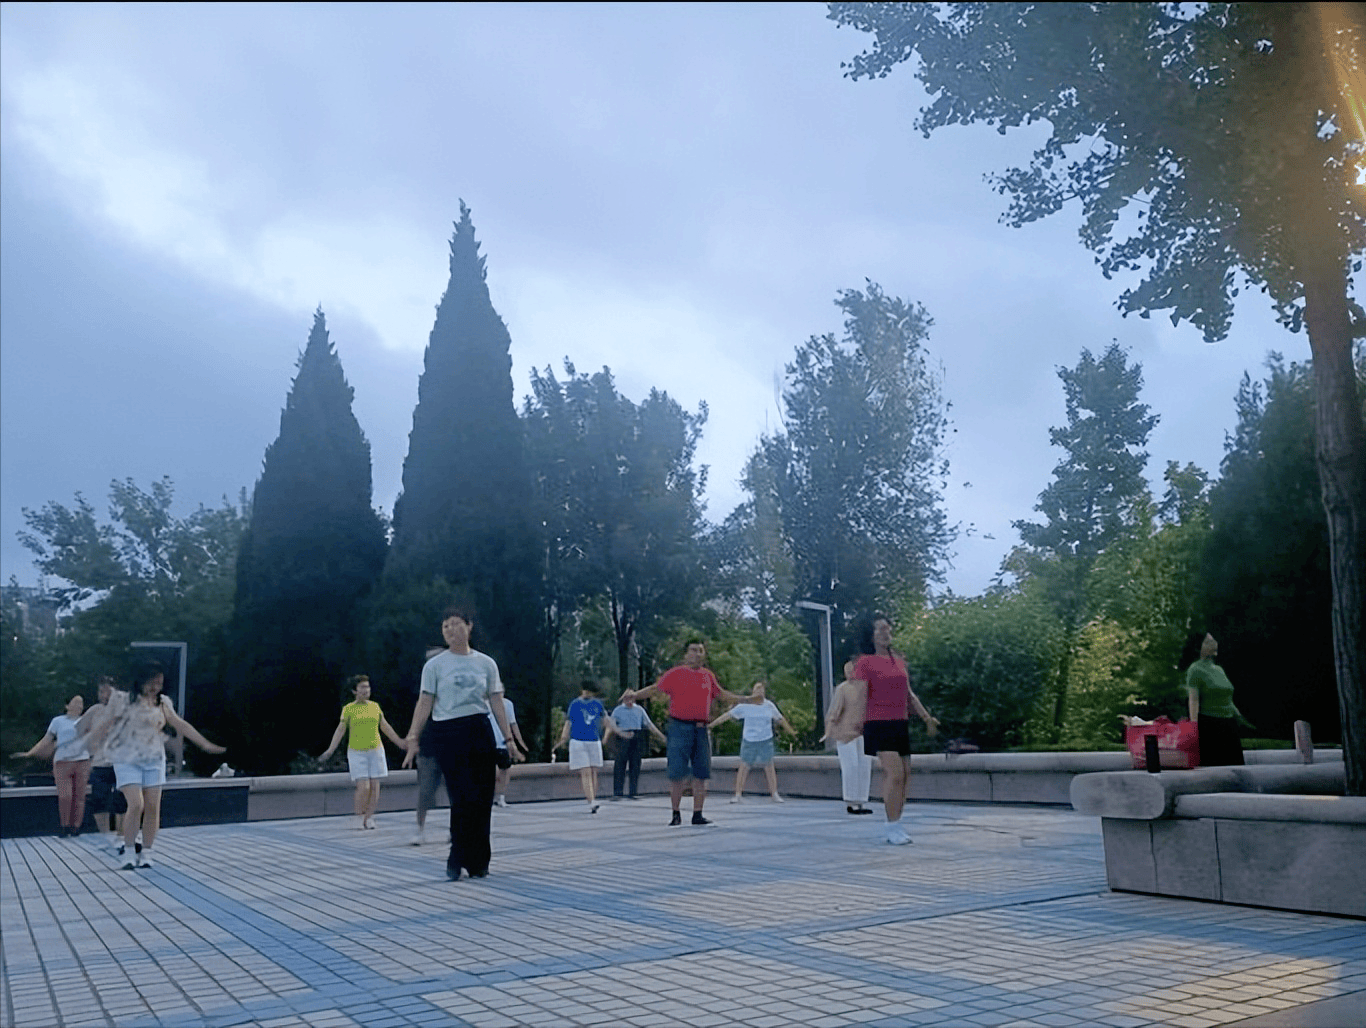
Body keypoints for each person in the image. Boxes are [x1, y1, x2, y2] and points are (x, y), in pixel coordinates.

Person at [402, 604, 522, 882]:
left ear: (469, 627)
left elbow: (496, 701)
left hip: (479, 729)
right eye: (445, 626)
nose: (450, 630)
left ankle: (479, 861)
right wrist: (412, 736)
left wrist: (508, 738)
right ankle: (457, 857)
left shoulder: (486, 663)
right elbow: (425, 702)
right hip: (448, 731)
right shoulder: (434, 666)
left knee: (482, 797)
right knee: (461, 796)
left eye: (456, 624)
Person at [95, 664, 225, 869]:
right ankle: (129, 851)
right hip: (126, 758)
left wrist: (204, 743)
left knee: (153, 806)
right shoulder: (122, 699)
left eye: (159, 683)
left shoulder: (163, 702)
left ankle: (147, 852)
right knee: (136, 804)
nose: (155, 687)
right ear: (141, 680)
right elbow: (107, 724)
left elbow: (180, 724)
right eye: (152, 682)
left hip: (153, 759)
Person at [625, 638, 755, 826]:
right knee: (677, 772)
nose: (697, 654)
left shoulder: (708, 676)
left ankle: (697, 814)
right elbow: (655, 689)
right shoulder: (676, 673)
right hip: (679, 727)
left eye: (700, 650)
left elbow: (721, 694)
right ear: (686, 654)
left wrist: (745, 699)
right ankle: (675, 813)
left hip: (701, 729)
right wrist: (635, 695)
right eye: (693, 650)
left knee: (701, 773)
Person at [851, 616, 938, 845]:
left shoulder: (899, 661)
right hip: (877, 723)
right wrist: (856, 722)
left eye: (888, 628)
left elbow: (909, 694)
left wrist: (926, 718)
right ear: (871, 635)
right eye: (880, 629)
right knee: (895, 774)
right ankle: (891, 826)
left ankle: (897, 822)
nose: (885, 632)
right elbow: (860, 694)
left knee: (906, 775)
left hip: (900, 721)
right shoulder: (865, 662)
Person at [319, 675, 407, 830]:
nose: (366, 690)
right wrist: (330, 750)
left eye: (368, 687)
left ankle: (369, 817)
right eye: (362, 687)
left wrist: (400, 742)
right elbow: (340, 730)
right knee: (363, 787)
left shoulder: (375, 707)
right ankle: (359, 816)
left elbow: (385, 727)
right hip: (357, 752)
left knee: (375, 786)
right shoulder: (349, 709)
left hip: (375, 750)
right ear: (355, 691)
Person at [11, 693, 93, 837]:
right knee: (65, 795)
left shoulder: (86, 721)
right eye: (75, 702)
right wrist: (30, 753)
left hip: (82, 761)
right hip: (62, 761)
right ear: (67, 705)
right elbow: (46, 739)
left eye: (81, 703)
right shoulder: (58, 721)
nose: (79, 706)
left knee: (80, 796)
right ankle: (64, 825)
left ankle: (76, 826)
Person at [710, 681, 796, 803]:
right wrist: (712, 725)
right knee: (744, 766)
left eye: (761, 690)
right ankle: (738, 795)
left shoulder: (769, 705)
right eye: (757, 690)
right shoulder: (745, 705)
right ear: (753, 692)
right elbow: (727, 716)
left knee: (769, 766)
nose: (759, 692)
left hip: (765, 740)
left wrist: (792, 731)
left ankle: (774, 794)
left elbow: (780, 719)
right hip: (749, 740)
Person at [1182, 631, 1246, 767]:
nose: (1214, 644)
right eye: (1208, 642)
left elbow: (1226, 695)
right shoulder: (1195, 669)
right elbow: (1193, 699)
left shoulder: (1219, 669)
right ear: (1199, 647)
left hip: (1229, 724)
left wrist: (1238, 715)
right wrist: (1194, 726)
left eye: (1214, 641)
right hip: (1210, 726)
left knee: (1236, 766)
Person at [822, 658, 875, 814]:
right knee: (850, 767)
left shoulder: (867, 689)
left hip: (864, 734)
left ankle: (862, 800)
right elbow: (834, 712)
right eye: (847, 671)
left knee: (864, 767)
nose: (850, 673)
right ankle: (851, 801)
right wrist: (828, 731)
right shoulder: (842, 689)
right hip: (845, 735)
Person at [553, 681, 615, 814]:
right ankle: (591, 801)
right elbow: (568, 722)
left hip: (593, 740)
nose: (587, 694)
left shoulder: (598, 704)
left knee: (594, 771)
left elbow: (606, 721)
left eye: (590, 692)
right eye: (585, 691)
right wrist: (564, 737)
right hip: (578, 741)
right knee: (585, 770)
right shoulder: (575, 704)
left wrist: (605, 737)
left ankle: (593, 798)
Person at [78, 677, 126, 844]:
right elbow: (79, 731)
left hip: (121, 761)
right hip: (100, 762)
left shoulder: (124, 710)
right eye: (101, 691)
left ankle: (121, 837)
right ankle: (105, 836)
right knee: (99, 799)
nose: (104, 695)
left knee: (122, 799)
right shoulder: (94, 710)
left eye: (108, 691)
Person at [608, 690, 666, 799]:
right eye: (627, 698)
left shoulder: (639, 710)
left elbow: (649, 724)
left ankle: (633, 792)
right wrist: (617, 734)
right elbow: (612, 725)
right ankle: (617, 792)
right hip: (623, 735)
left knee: (635, 764)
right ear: (624, 699)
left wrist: (661, 736)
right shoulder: (618, 710)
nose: (629, 701)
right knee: (620, 764)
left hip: (636, 736)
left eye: (632, 698)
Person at [492, 694, 528, 808]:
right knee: (492, 772)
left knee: (505, 770)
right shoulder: (485, 704)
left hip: (502, 742)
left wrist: (517, 742)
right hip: (489, 742)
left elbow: (512, 724)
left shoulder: (507, 704)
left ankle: (500, 797)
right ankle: (491, 796)